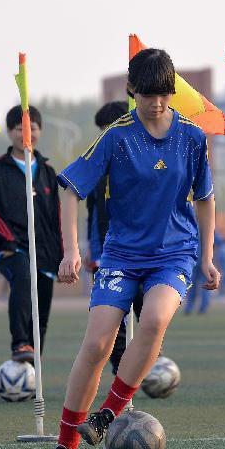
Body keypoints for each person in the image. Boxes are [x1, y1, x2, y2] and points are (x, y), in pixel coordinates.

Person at [39, 48, 219, 449]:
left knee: (155, 319)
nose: (156, 104)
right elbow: (69, 188)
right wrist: (72, 251)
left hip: (174, 253)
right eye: (147, 95)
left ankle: (107, 414)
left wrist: (207, 257)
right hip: (121, 254)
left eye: (164, 95)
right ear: (132, 91)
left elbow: (206, 200)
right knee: (98, 344)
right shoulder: (117, 137)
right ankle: (66, 444)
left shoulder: (192, 137)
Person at [0, 105, 63, 363]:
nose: (26, 133)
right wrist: (6, 241)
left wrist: (62, 254)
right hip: (11, 247)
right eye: (19, 128)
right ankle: (20, 343)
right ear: (9, 132)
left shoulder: (48, 173)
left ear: (39, 131)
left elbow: (56, 217)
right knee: (23, 277)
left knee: (42, 305)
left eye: (32, 128)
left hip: (44, 252)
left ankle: (32, 364)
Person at [86, 101, 143, 374]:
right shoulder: (98, 169)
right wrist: (94, 254)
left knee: (146, 307)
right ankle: (120, 367)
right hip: (109, 257)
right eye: (101, 131)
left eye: (107, 128)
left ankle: (149, 362)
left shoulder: (144, 164)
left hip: (144, 253)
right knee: (111, 320)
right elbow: (93, 214)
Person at [184, 239, 211, 315]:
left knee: (192, 286)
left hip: (193, 261)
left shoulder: (191, 228)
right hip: (203, 262)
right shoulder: (208, 229)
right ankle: (202, 308)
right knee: (205, 286)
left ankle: (189, 308)